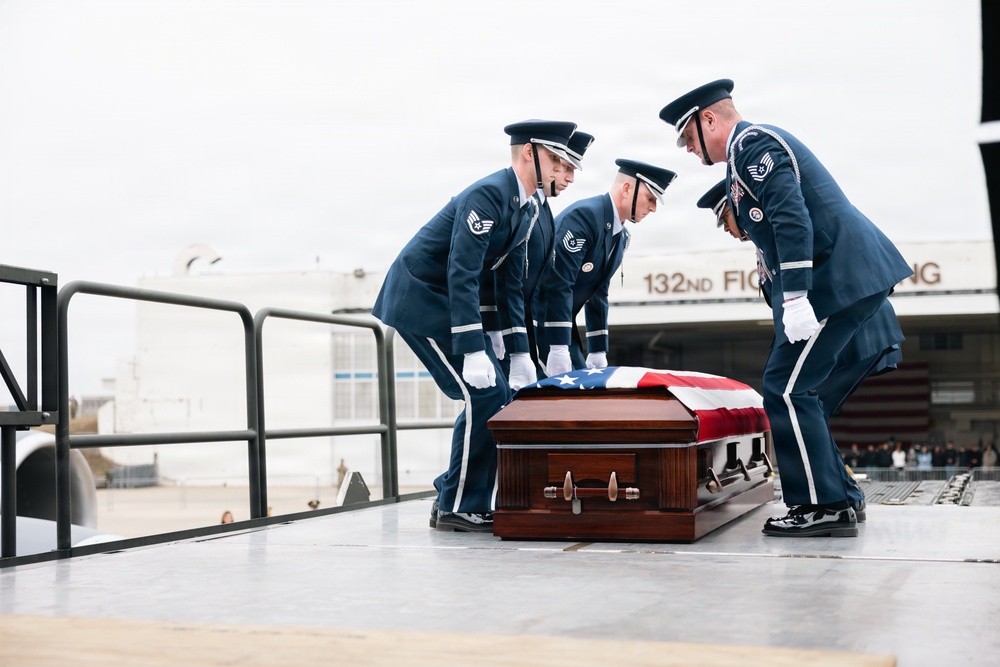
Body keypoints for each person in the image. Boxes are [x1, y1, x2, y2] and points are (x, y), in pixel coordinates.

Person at [661, 79, 912, 537]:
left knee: (786, 389)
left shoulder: (753, 145)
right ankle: (836, 498)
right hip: (840, 278)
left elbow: (790, 216)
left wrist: (796, 295)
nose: (692, 150)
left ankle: (822, 505)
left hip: (835, 277)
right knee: (795, 389)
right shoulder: (744, 155)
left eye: (691, 138)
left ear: (710, 119)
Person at [372, 119, 576, 533]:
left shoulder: (525, 207)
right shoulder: (489, 195)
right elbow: (461, 271)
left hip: (447, 304)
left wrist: (517, 349)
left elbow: (507, 283)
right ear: (527, 154)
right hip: (420, 298)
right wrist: (473, 347)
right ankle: (457, 506)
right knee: (483, 393)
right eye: (555, 159)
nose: (561, 170)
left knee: (495, 393)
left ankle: (453, 493)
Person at [698, 179, 907, 521]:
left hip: (856, 332)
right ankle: (845, 496)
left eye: (725, 219)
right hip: (857, 330)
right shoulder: (767, 245)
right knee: (811, 410)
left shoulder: (781, 234)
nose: (727, 230)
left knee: (798, 402)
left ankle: (827, 504)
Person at [540, 159, 677, 376]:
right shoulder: (584, 217)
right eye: (650, 198)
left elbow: (598, 292)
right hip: (538, 322)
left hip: (561, 325)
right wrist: (558, 347)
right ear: (626, 188)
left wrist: (597, 348)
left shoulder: (620, 236)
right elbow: (558, 284)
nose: (653, 208)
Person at [491, 130, 595, 376]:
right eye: (564, 167)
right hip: (508, 330)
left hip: (526, 332)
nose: (568, 177)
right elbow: (498, 275)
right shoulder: (523, 206)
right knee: (496, 406)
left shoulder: (542, 211)